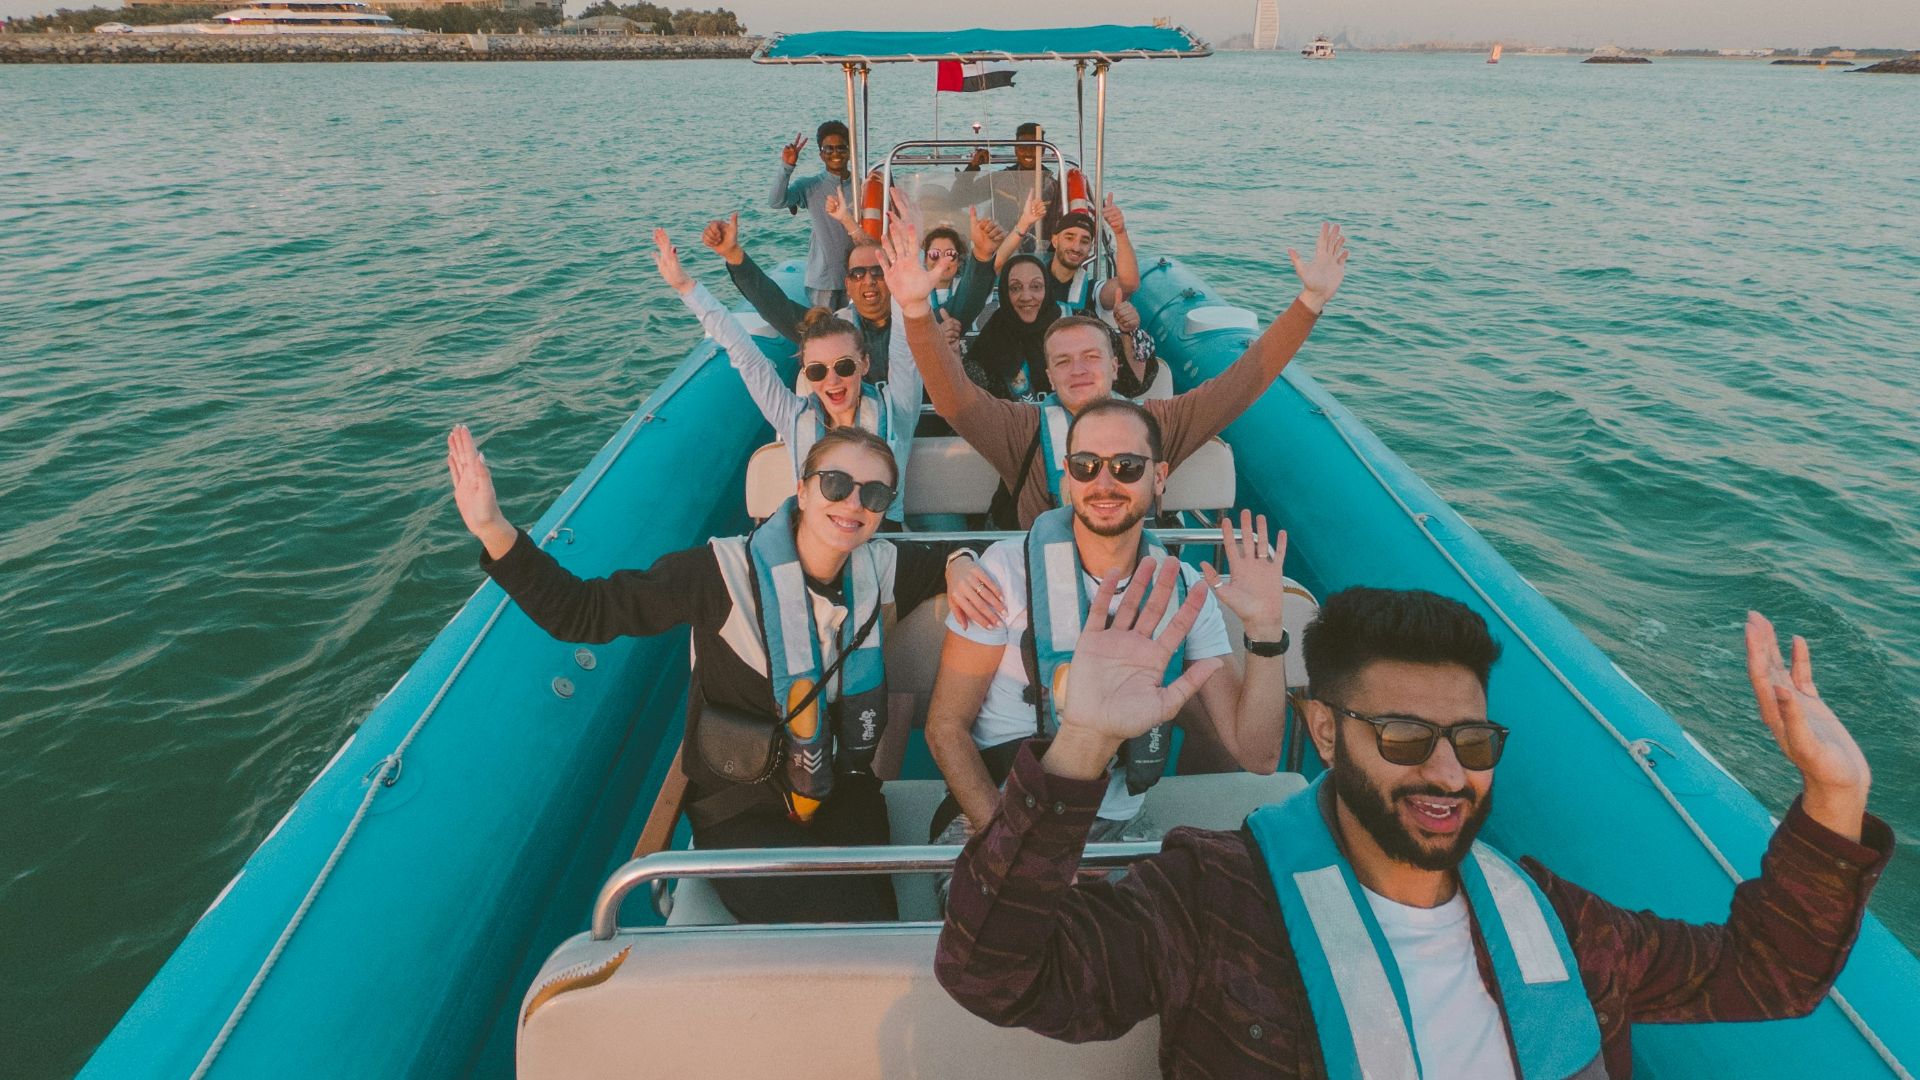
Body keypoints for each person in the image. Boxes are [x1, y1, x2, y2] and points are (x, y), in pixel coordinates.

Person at [937, 585, 1890, 1078]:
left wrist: (1833, 794)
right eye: (1403, 737)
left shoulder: (1553, 919)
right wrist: (1082, 747)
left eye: (1472, 741)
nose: (1446, 773)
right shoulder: (1213, 902)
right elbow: (996, 975)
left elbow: (1768, 973)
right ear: (1324, 733)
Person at [445, 423, 1003, 923]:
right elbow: (581, 612)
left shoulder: (879, 566)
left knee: (874, 928)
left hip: (844, 794)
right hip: (744, 808)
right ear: (803, 490)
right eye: (836, 484)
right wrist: (493, 528)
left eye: (874, 494)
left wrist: (959, 562)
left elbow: (959, 551)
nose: (853, 503)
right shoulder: (719, 573)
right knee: (844, 925)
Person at [925, 399, 1293, 854]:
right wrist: (1007, 841)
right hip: (1000, 811)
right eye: (1086, 465)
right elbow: (946, 727)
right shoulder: (1005, 571)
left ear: (1159, 477)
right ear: (1067, 477)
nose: (1103, 483)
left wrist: (1264, 628)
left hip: (1115, 827)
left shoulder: (1184, 591)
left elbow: (1259, 755)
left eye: (1127, 466)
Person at [878, 214, 1348, 527]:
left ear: (1114, 363)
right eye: (1063, 361)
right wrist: (916, 309)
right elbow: (954, 400)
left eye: (1091, 356)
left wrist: (1309, 302)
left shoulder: (1157, 423)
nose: (1078, 369)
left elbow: (1241, 384)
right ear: (1049, 374)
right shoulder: (1022, 430)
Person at [653, 227, 923, 527]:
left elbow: (905, 349)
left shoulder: (897, 410)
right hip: (813, 545)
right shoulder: (793, 416)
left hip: (882, 541)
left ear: (864, 364)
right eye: (818, 371)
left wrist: (906, 286)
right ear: (806, 373)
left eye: (845, 366)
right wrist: (687, 287)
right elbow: (745, 355)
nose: (832, 381)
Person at [770, 122, 856, 310]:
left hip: (856, 279)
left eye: (841, 148)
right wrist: (786, 167)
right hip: (822, 282)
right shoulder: (809, 186)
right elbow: (776, 201)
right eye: (828, 149)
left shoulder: (861, 186)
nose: (835, 153)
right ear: (821, 155)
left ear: (850, 151)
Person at [951, 120, 1061, 249]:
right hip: (1000, 248)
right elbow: (958, 199)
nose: (1028, 152)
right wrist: (973, 167)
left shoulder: (1053, 187)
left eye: (1034, 147)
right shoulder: (1000, 179)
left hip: (1039, 253)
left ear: (1043, 150)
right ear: (1015, 149)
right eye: (1023, 147)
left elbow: (1059, 227)